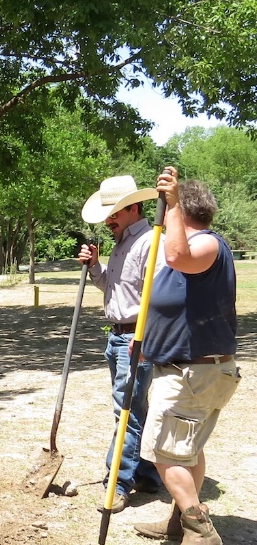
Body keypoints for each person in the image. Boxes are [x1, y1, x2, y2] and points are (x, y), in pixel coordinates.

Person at [133, 169, 240, 545]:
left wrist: (173, 204)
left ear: (182, 209)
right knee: (187, 449)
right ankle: (181, 519)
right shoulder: (195, 247)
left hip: (192, 374)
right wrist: (148, 339)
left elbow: (177, 257)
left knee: (166, 452)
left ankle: (201, 533)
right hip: (189, 367)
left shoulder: (206, 245)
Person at [79, 175, 165, 513]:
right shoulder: (122, 242)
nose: (109, 220)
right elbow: (116, 291)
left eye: (114, 213)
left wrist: (147, 337)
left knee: (125, 410)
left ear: (133, 208)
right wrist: (95, 266)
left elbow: (159, 298)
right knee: (134, 409)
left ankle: (118, 481)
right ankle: (146, 474)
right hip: (117, 335)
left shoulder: (149, 242)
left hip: (135, 338)